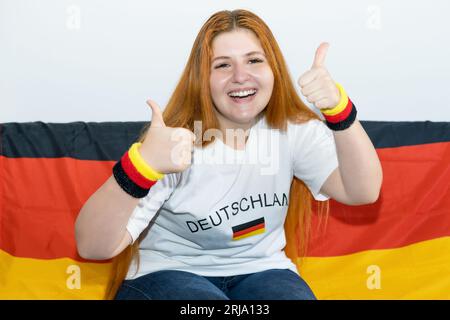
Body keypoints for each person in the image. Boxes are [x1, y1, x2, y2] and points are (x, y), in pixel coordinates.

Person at [75, 9, 382, 300]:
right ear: (202, 78)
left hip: (262, 271)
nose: (240, 76)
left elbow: (363, 191)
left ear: (273, 69)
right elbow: (92, 247)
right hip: (168, 272)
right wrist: (142, 165)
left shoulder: (294, 130)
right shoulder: (175, 142)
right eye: (223, 65)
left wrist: (338, 109)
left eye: (254, 60)